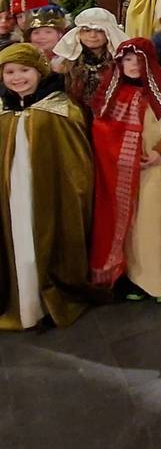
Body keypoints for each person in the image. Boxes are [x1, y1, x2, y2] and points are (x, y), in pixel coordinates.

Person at [90, 37, 161, 303]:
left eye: (137, 60)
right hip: (127, 175)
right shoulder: (112, 92)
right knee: (136, 229)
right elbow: (102, 129)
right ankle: (140, 277)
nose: (131, 65)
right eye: (126, 60)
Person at [0, 44, 93, 329]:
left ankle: (47, 299)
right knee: (16, 243)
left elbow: (76, 162)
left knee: (42, 239)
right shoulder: (2, 109)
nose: (17, 78)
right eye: (10, 72)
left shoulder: (60, 108)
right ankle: (23, 304)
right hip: (9, 195)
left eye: (24, 71)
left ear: (39, 72)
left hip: (47, 193)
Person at [52, 7, 129, 112]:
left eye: (99, 31)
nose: (92, 35)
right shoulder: (65, 63)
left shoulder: (121, 62)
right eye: (87, 30)